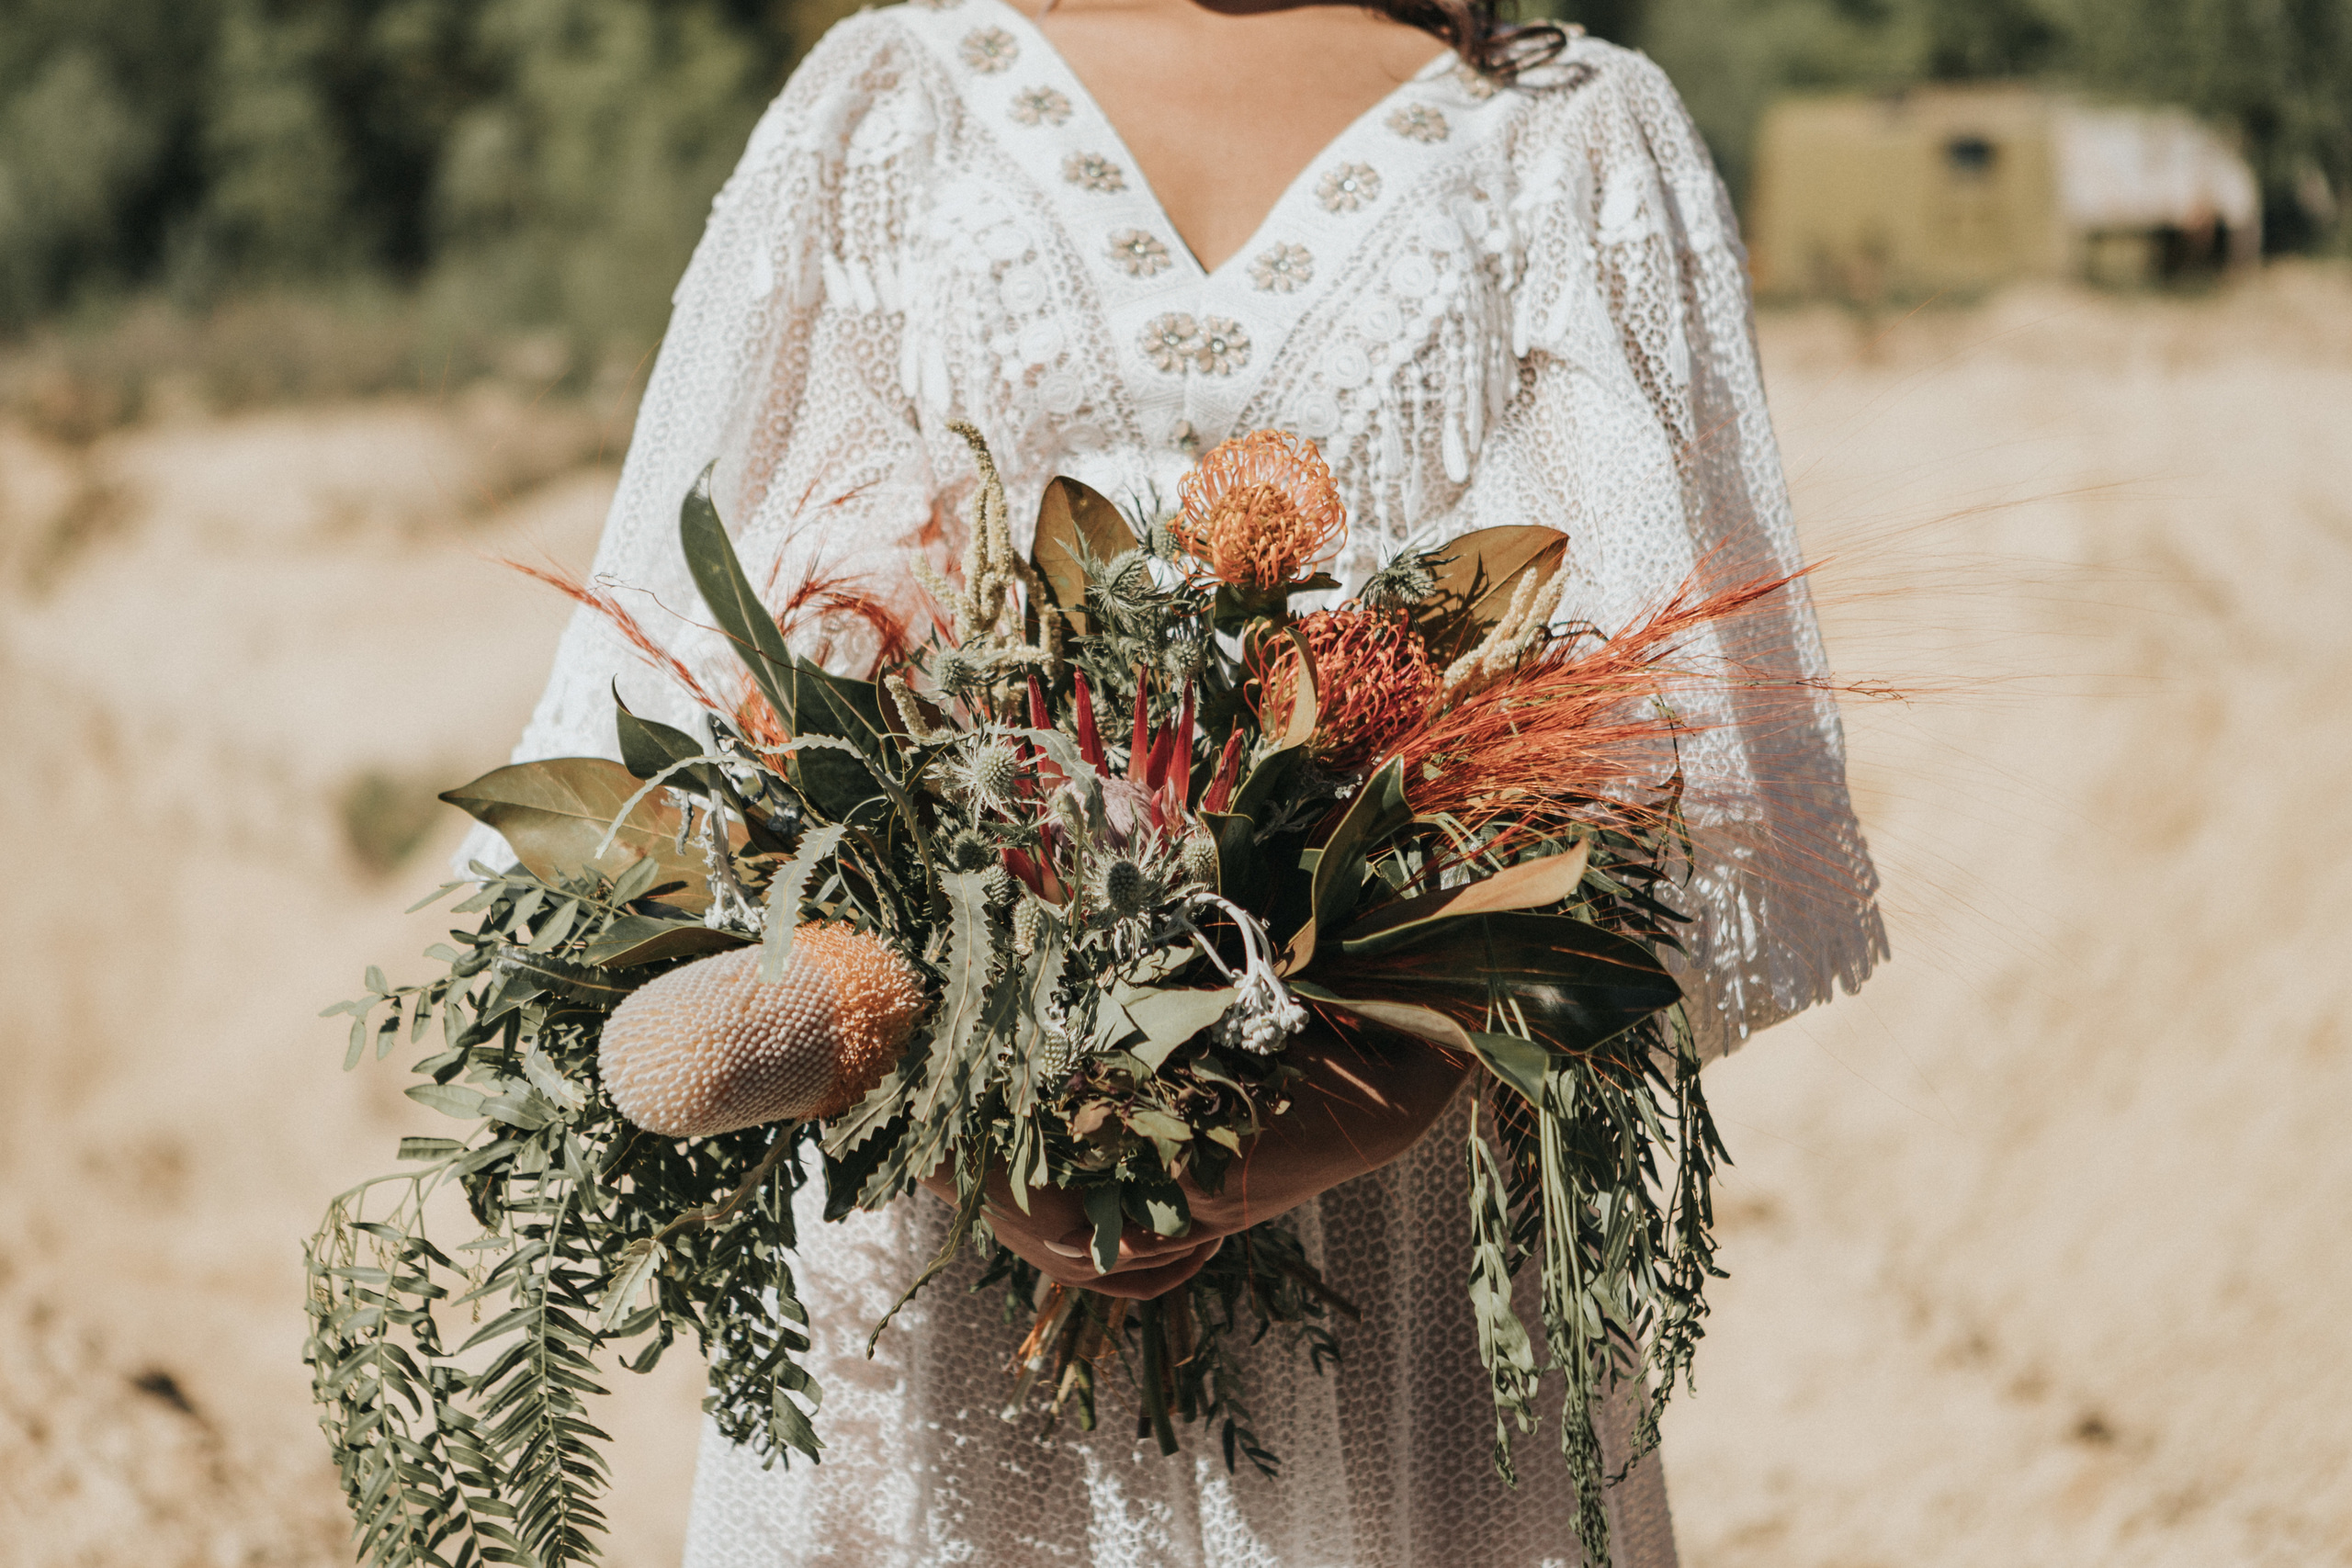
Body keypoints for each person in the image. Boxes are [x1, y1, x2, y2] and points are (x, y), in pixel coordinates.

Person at [466, 0, 1886, 1561]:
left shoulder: (1571, 134)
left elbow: (1641, 759)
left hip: (1395, 1186)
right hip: (947, 1224)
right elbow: (760, 669)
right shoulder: (894, 103)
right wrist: (979, 1118)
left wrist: (1327, 1126)